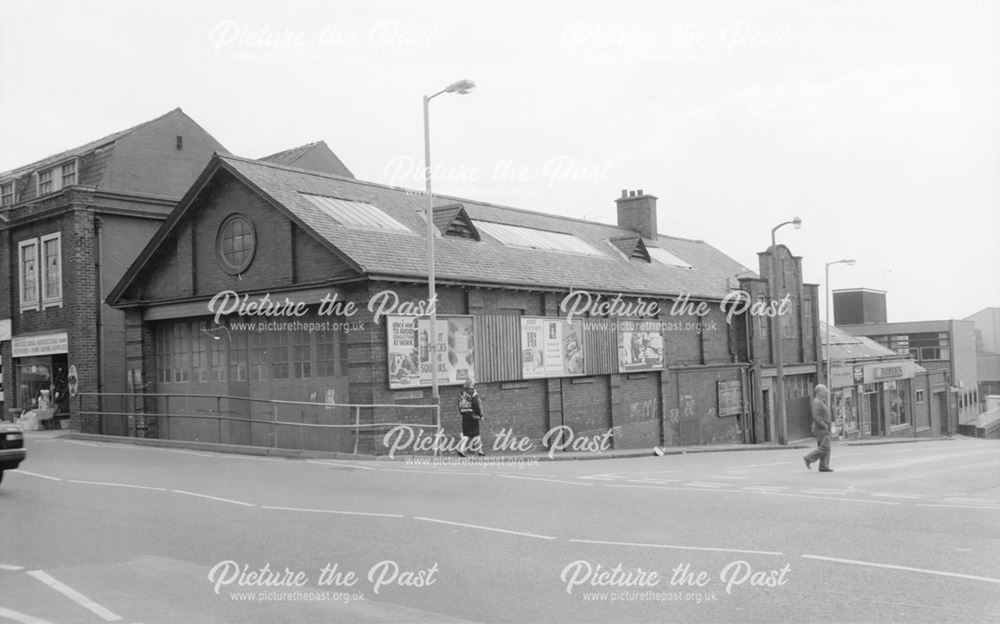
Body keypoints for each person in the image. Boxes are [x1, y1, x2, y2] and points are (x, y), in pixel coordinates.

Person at [804, 384, 834, 472]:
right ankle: (808, 458)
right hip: (820, 427)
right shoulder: (817, 402)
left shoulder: (820, 401)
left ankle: (823, 466)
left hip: (822, 427)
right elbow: (816, 416)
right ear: (820, 392)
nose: (826, 393)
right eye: (825, 391)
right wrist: (824, 425)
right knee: (825, 447)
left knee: (825, 446)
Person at [457, 379, 485, 457]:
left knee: (466, 434)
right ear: (471, 385)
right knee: (477, 434)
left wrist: (462, 412)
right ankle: (480, 451)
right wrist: (481, 415)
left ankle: (461, 449)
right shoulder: (474, 393)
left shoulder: (461, 393)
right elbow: (477, 404)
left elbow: (459, 405)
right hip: (473, 416)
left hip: (465, 416)